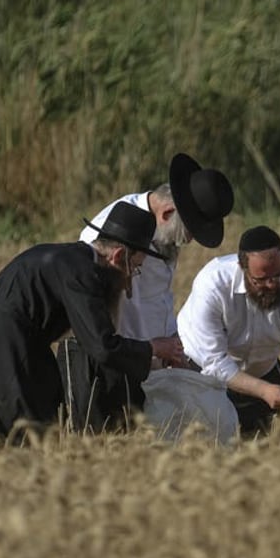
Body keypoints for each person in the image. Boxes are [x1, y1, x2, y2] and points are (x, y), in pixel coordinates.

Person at [0, 203, 186, 443]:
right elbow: (102, 346)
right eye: (135, 268)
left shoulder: (68, 258)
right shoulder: (84, 274)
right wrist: (153, 347)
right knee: (27, 437)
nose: (130, 283)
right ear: (118, 256)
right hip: (8, 345)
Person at [59, 152, 235, 432]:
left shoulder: (166, 235)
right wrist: (141, 351)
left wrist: (169, 346)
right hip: (106, 363)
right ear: (166, 213)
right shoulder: (111, 229)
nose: (187, 242)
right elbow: (92, 310)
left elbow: (157, 299)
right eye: (188, 233)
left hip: (147, 365)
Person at [177, 225, 280, 436]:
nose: (272, 285)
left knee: (256, 444)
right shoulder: (213, 284)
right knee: (208, 440)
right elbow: (215, 363)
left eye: (279, 276)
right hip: (201, 370)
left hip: (261, 370)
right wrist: (264, 390)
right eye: (261, 280)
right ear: (242, 269)